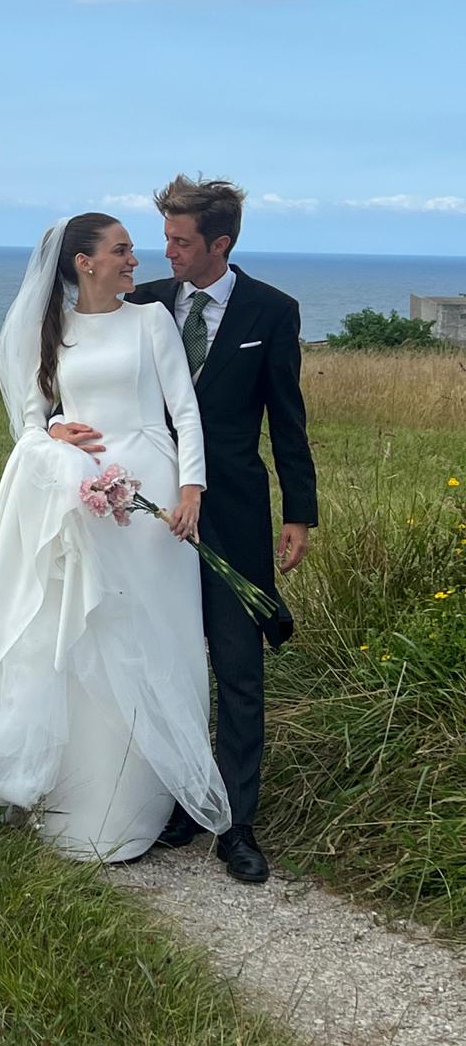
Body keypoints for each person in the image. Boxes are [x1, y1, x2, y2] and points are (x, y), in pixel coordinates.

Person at [0, 213, 231, 862]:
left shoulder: (151, 320)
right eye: (121, 249)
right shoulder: (55, 332)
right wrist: (52, 435)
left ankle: (152, 801)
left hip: (153, 500)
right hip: (85, 497)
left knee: (158, 634)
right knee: (86, 636)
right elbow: (32, 420)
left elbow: (183, 410)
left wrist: (191, 491)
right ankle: (89, 802)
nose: (136, 258)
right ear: (84, 262)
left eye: (132, 249)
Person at [121, 176, 318, 883]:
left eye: (179, 241)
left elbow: (287, 420)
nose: (164, 252)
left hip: (232, 512)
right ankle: (177, 802)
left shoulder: (272, 311)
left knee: (238, 666)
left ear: (220, 244)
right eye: (164, 237)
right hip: (150, 516)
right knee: (166, 659)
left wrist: (300, 512)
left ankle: (236, 823)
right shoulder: (142, 304)